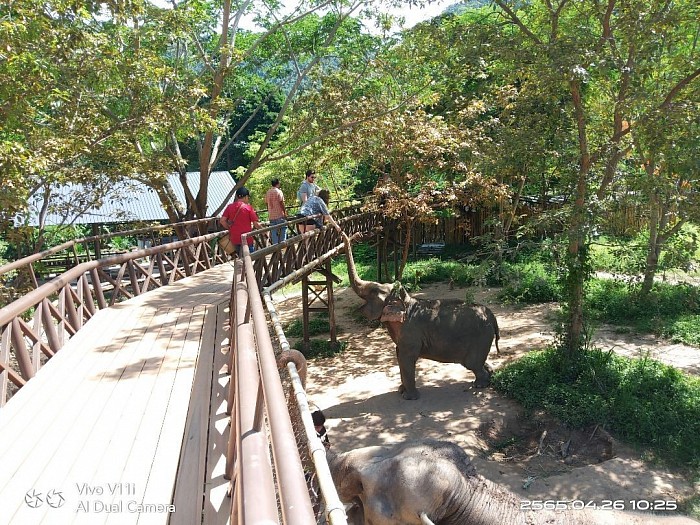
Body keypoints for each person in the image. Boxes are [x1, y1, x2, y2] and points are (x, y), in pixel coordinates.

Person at [219, 187, 261, 257]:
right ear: (246, 197)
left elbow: (222, 220)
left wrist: (229, 228)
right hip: (247, 239)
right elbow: (256, 224)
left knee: (240, 259)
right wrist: (263, 231)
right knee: (250, 260)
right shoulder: (248, 208)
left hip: (235, 238)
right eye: (248, 197)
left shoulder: (229, 207)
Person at [265, 178, 287, 244]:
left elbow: (266, 203)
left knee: (273, 230)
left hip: (271, 215)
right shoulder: (279, 191)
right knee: (283, 227)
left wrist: (269, 211)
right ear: (277, 183)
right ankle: (283, 243)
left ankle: (275, 246)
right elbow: (281, 203)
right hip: (279, 214)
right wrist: (285, 212)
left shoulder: (268, 192)